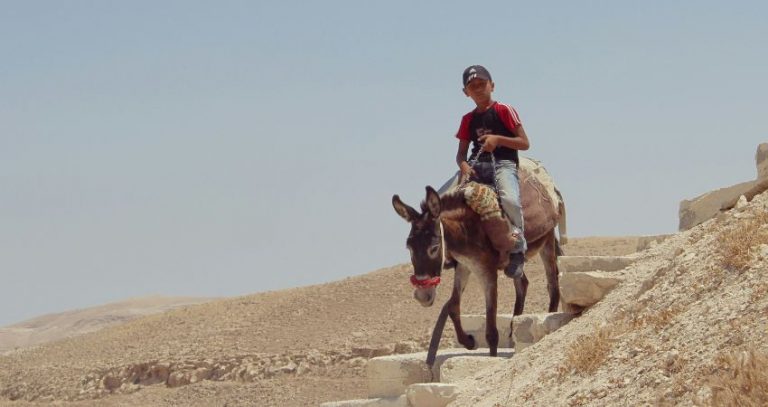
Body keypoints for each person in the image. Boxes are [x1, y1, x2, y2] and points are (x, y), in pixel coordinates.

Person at [439, 65, 529, 278]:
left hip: (503, 163)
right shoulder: (467, 120)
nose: (478, 89)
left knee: (510, 200)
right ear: (465, 92)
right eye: (473, 86)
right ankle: (448, 250)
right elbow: (460, 154)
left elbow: (524, 143)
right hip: (476, 166)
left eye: (482, 84)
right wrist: (464, 166)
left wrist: (498, 140)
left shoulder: (504, 110)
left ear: (492, 85)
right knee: (438, 201)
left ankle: (518, 248)